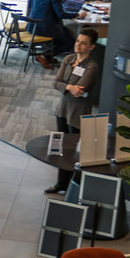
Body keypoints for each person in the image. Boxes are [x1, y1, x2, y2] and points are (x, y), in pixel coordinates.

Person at [45, 28, 100, 194]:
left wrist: (65, 87)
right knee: (61, 147)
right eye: (78, 41)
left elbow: (78, 93)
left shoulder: (92, 67)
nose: (78, 45)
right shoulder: (68, 59)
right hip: (62, 109)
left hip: (77, 113)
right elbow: (56, 83)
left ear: (91, 47)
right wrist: (69, 86)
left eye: (83, 43)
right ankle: (61, 183)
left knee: (74, 151)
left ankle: (73, 187)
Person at [28, 0, 87, 68]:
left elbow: (31, 4)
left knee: (65, 32)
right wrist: (78, 15)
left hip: (33, 25)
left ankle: (48, 56)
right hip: (45, 28)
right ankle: (44, 56)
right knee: (71, 43)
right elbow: (61, 14)